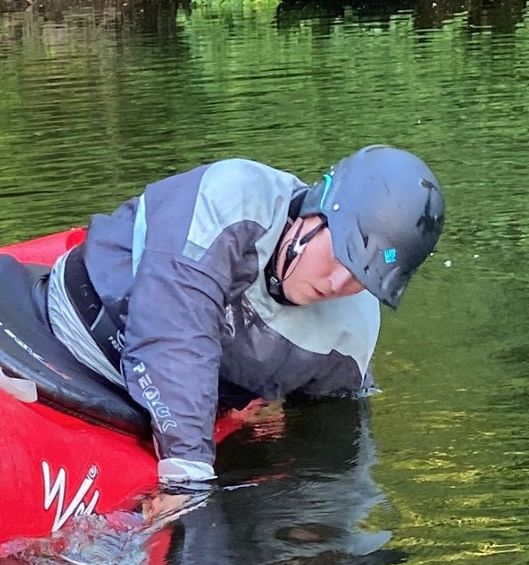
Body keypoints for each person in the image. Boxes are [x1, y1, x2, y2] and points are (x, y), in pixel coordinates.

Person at [44, 145, 445, 513]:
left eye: (363, 276)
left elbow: (336, 433)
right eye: (341, 254)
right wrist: (187, 482)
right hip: (84, 337)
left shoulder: (353, 327)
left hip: (197, 403)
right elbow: (173, 335)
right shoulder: (232, 198)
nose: (339, 284)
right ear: (317, 211)